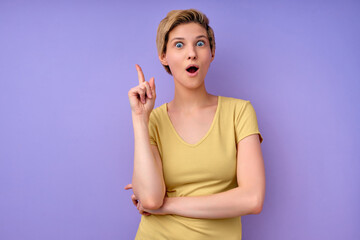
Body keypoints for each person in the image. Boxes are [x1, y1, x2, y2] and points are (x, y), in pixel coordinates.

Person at [125, 8, 265, 240]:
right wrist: (140, 119)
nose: (191, 53)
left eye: (200, 43)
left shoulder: (239, 112)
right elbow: (150, 200)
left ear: (211, 53)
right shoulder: (154, 121)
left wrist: (168, 205)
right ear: (163, 56)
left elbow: (253, 199)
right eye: (179, 45)